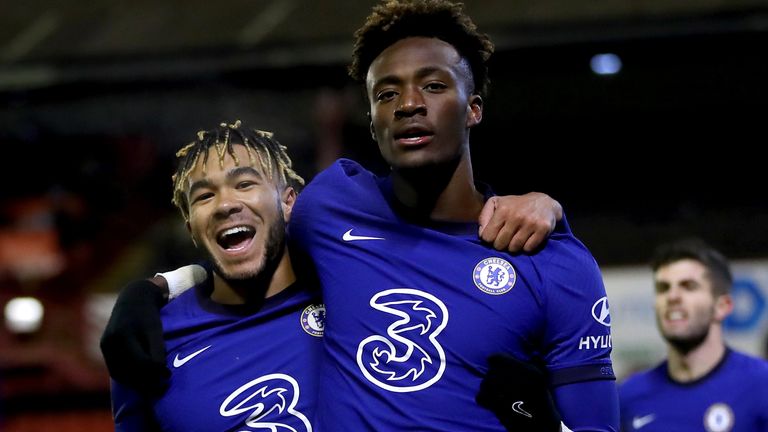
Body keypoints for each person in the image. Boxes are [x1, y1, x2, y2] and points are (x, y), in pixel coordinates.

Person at [102, 0, 619, 430]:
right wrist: (147, 293)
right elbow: (247, 249)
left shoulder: (556, 265)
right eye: (386, 94)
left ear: (473, 107)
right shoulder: (330, 208)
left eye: (434, 86)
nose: (409, 104)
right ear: (372, 123)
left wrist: (541, 424)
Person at [110, 122, 325, 430]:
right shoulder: (150, 338)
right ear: (191, 229)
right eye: (204, 196)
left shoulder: (339, 290)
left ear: (288, 202)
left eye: (245, 184)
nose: (225, 204)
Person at [618, 238, 768, 431]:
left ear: (722, 307)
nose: (672, 297)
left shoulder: (761, 384)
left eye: (688, 286)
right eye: (663, 288)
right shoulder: (629, 396)